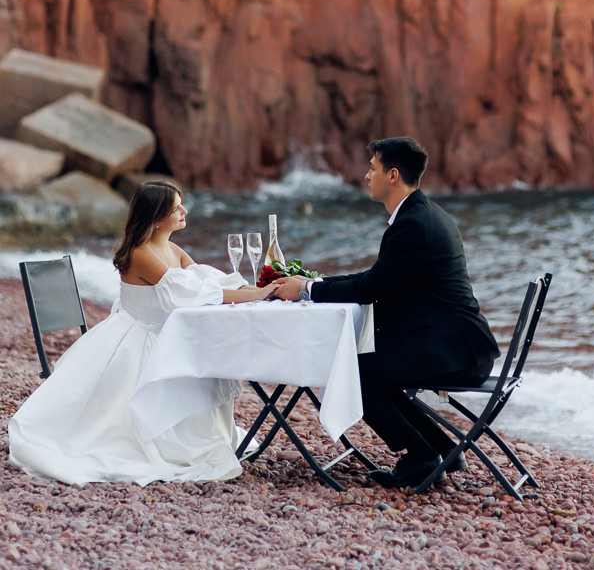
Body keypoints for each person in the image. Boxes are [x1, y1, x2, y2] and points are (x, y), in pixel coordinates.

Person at [9, 180, 278, 485]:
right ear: (156, 215)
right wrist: (257, 296)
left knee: (204, 358)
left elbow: (208, 282)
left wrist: (252, 289)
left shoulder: (172, 247)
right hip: (141, 338)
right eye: (176, 208)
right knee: (192, 365)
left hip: (167, 333)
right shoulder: (142, 253)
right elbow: (190, 295)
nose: (184, 211)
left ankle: (210, 437)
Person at [276, 136, 500, 488]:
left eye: (372, 168)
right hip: (456, 343)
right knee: (372, 366)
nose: (367, 176)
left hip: (457, 352)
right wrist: (314, 282)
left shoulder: (413, 224)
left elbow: (370, 288)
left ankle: (422, 456)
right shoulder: (421, 213)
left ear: (392, 175)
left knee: (356, 369)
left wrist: (307, 289)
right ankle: (443, 450)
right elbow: (377, 279)